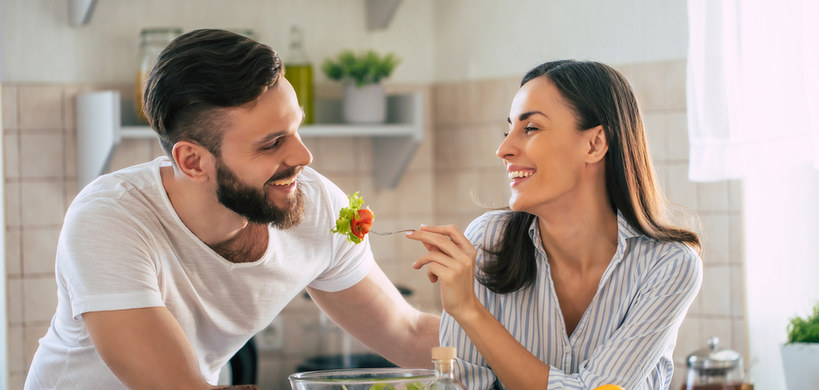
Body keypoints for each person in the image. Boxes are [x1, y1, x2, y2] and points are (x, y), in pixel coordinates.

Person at [24, 29, 438, 390]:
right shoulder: (110, 219)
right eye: (272, 143)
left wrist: (496, 335)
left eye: (297, 129)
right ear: (192, 162)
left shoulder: (316, 207)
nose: (304, 156)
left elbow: (407, 332)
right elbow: (181, 388)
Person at [406, 60, 703, 389]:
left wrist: (470, 310)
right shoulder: (487, 242)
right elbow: (461, 385)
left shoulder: (669, 265)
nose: (504, 149)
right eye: (509, 131)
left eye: (530, 128)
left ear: (594, 144)